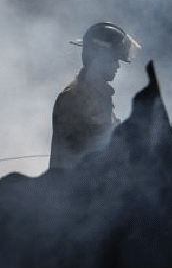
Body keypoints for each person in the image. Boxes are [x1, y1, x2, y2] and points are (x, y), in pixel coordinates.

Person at [49, 22, 139, 169]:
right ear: (98, 56)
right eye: (114, 59)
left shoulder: (100, 96)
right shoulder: (74, 98)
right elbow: (93, 149)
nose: (117, 66)